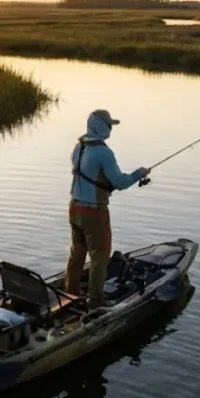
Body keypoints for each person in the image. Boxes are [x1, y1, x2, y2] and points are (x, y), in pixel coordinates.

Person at [64, 109, 149, 309]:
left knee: (77, 253)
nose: (111, 128)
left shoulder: (78, 147)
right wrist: (139, 173)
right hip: (94, 212)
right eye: (109, 125)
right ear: (102, 126)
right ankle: (96, 302)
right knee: (99, 257)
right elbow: (119, 182)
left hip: (74, 209)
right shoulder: (104, 152)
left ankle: (70, 294)